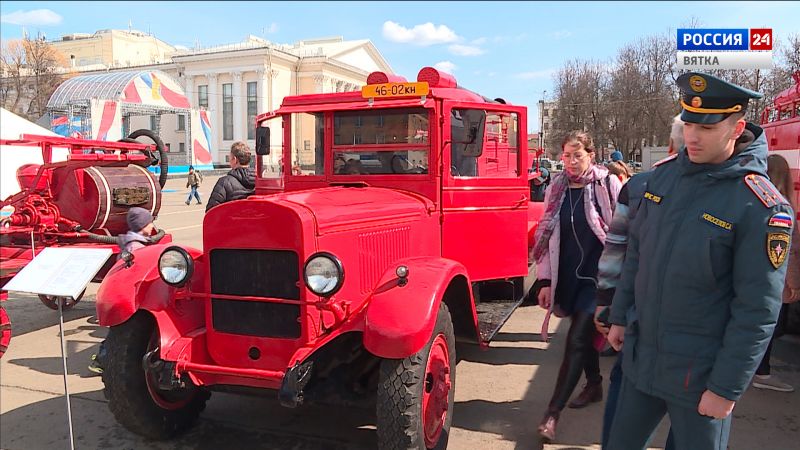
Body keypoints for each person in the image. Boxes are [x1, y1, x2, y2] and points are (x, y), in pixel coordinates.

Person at [606, 72, 792, 450]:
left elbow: (757, 309)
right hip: (643, 361)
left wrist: (726, 388)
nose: (692, 135)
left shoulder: (760, 206)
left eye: (707, 127)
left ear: (736, 128)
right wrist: (620, 315)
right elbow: (638, 256)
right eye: (689, 122)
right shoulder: (661, 181)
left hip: (701, 377)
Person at [595, 114, 683, 449]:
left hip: (635, 314)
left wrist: (605, 304)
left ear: (671, 144)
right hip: (693, 334)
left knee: (626, 391)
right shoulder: (733, 191)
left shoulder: (640, 184)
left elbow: (615, 250)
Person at [532, 131, 622, 442]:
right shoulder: (555, 188)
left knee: (576, 339)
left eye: (578, 155)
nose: (571, 161)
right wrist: (545, 280)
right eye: (567, 155)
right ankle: (594, 384)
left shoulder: (606, 183)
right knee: (582, 339)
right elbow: (547, 239)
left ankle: (551, 414)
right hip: (567, 276)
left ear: (591, 155)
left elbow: (623, 229)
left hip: (598, 280)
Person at [88, 207, 159, 375]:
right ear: (143, 226)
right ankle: (102, 359)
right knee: (118, 331)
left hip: (124, 292)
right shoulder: (136, 248)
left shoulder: (131, 242)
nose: (152, 227)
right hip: (129, 294)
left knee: (117, 329)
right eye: (150, 223)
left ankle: (103, 357)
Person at [753, 154, 800, 392]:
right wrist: (794, 283)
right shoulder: (783, 206)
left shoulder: (757, 201)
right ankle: (761, 371)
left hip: (755, 276)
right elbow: (787, 250)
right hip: (775, 278)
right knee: (770, 327)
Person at [206, 141, 256, 211]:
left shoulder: (224, 182)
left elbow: (211, 212)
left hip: (232, 221)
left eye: (230, 157)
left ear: (235, 160)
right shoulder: (259, 182)